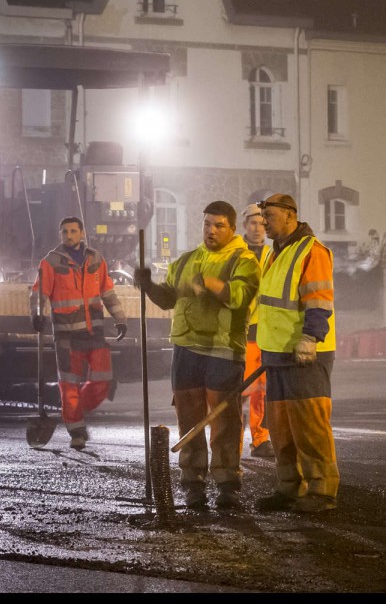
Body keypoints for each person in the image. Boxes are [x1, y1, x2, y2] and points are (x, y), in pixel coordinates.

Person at [137, 201, 261, 511]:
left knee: (223, 419)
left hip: (223, 349)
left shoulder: (243, 260)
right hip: (186, 348)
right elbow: (168, 298)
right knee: (189, 416)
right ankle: (192, 483)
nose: (211, 230)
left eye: (219, 225)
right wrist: (148, 285)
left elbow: (239, 296)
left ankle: (227, 484)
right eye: (207, 224)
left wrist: (210, 283)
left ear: (232, 228)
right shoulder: (186, 260)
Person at [253, 194, 339, 514]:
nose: (264, 221)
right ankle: (290, 486)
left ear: (290, 216)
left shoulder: (311, 251)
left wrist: (311, 337)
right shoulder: (272, 253)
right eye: (262, 216)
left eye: (270, 215)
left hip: (305, 353)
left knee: (310, 425)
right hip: (277, 352)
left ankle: (323, 490)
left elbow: (319, 298)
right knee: (280, 427)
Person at [30, 217, 127, 449]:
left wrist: (120, 319)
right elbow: (38, 293)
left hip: (94, 332)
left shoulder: (95, 258)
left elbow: (108, 293)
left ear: (82, 233)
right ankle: (77, 431)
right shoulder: (50, 262)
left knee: (102, 379)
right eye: (64, 232)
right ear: (60, 235)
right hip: (66, 336)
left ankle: (74, 410)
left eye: (73, 231)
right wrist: (36, 314)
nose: (69, 235)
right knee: (69, 385)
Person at [240, 203, 274, 458]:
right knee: (239, 391)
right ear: (244, 226)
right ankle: (233, 440)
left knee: (260, 390)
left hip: (265, 332)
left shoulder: (273, 254)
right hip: (240, 331)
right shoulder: (236, 253)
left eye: (262, 223)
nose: (258, 228)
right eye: (253, 223)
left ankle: (260, 439)